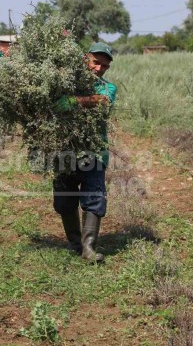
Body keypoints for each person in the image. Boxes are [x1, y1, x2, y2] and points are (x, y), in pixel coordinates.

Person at [52, 42, 117, 263]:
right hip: (63, 150)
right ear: (84, 59)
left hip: (94, 152)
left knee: (94, 198)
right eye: (95, 62)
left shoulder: (108, 88)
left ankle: (88, 248)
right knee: (64, 201)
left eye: (105, 66)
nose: (99, 69)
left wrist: (72, 101)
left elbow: (101, 101)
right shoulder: (64, 83)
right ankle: (74, 244)